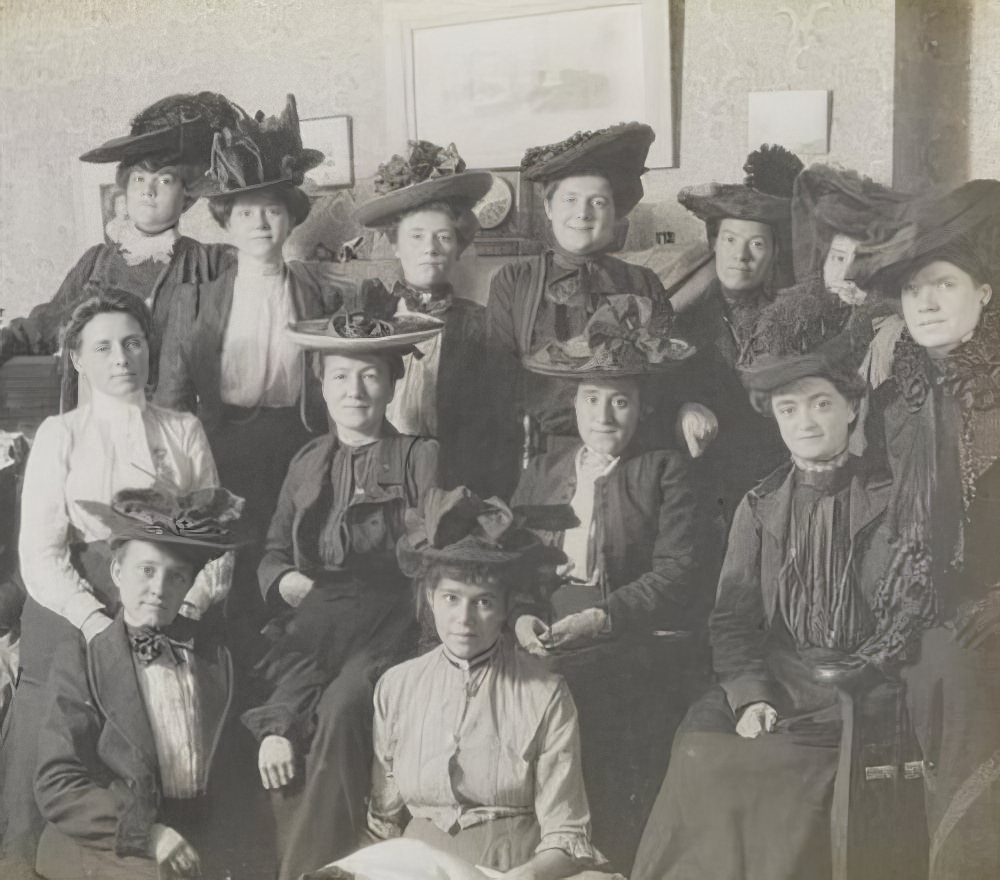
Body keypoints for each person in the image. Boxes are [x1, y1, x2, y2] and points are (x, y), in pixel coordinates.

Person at [631, 344, 896, 880]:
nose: (806, 422)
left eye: (821, 404)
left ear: (851, 408)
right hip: (782, 675)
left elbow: (912, 607)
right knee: (700, 746)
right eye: (788, 409)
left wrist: (870, 669)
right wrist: (751, 698)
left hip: (865, 679)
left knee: (780, 767)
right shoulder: (759, 507)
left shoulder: (892, 498)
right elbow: (732, 621)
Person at [0, 289, 233, 867]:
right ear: (77, 358)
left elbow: (218, 543)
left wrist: (184, 609)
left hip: (167, 603)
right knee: (43, 756)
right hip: (74, 612)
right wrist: (99, 625)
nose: (122, 358)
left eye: (132, 343)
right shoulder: (62, 433)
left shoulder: (184, 430)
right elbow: (40, 554)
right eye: (102, 347)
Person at [240, 310, 442, 880]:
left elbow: (431, 558)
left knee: (341, 709)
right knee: (276, 725)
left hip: (388, 620)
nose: (355, 391)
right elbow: (275, 549)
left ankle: (314, 872)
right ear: (320, 385)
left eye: (371, 375)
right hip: (312, 621)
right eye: (339, 377)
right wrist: (283, 582)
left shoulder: (418, 456)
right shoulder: (306, 460)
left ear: (394, 380)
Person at [154, 93, 355, 665]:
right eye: (245, 212)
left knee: (296, 568)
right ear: (226, 221)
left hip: (303, 447)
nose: (259, 222)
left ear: (291, 217)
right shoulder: (197, 300)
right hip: (224, 449)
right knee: (232, 580)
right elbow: (171, 401)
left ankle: (289, 699)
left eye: (271, 210)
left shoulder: (323, 295)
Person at [509, 295, 705, 872]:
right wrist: (521, 614)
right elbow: (515, 562)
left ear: (642, 407)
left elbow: (677, 573)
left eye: (620, 401)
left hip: (630, 628)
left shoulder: (666, 469)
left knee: (597, 703)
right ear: (573, 403)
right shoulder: (545, 470)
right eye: (591, 399)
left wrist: (601, 617)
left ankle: (607, 860)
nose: (604, 416)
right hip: (546, 625)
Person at [330, 487, 610, 880]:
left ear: (505, 608)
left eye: (483, 602)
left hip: (514, 866)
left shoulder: (545, 694)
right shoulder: (397, 687)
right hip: (416, 867)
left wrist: (522, 877)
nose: (464, 618)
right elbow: (383, 822)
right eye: (451, 598)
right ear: (430, 598)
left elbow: (567, 834)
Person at [861, 180, 1000, 879]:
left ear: (984, 292)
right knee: (941, 664)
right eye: (913, 290)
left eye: (944, 284)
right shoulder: (897, 388)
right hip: (927, 605)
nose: (927, 301)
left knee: (968, 673)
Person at [486, 122, 715, 498]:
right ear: (548, 206)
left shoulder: (642, 283)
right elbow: (498, 382)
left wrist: (688, 405)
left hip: (633, 460)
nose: (584, 213)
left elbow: (666, 374)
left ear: (615, 212)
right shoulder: (515, 282)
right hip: (545, 462)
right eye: (570, 200)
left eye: (598, 202)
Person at [32, 487, 246, 880]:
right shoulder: (82, 659)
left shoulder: (215, 655)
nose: (159, 589)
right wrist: (145, 833)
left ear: (188, 586)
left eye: (176, 576)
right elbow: (58, 783)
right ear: (117, 572)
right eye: (146, 570)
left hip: (195, 830)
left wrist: (275, 731)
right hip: (111, 838)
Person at [0, 93, 239, 379]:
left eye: (165, 180)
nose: (148, 191)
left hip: (172, 412)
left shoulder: (208, 262)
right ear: (124, 188)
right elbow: (49, 324)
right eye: (139, 179)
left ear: (187, 199)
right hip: (94, 408)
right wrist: (9, 341)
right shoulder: (95, 262)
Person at [350, 139, 494, 494]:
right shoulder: (365, 316)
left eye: (443, 237)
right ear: (396, 244)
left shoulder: (482, 326)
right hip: (373, 474)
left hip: (450, 479)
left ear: (459, 247)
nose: (429, 249)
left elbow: (492, 429)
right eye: (416, 237)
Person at [672, 144, 805, 518]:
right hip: (701, 480)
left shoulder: (795, 319)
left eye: (756, 244)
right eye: (730, 240)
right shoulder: (685, 318)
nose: (740, 255)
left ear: (774, 254)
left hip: (774, 475)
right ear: (714, 244)